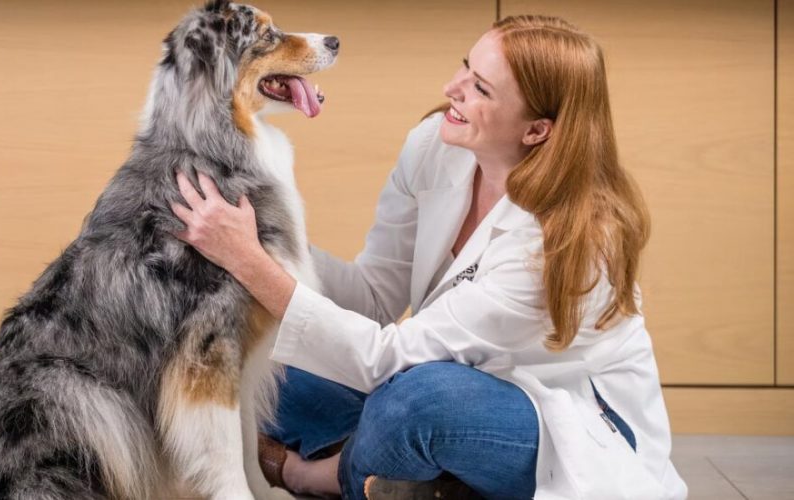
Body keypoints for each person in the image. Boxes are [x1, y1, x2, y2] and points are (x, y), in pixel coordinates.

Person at [170, 15, 688, 500]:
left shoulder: (559, 242)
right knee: (266, 366)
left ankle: (321, 474)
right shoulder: (437, 145)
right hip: (424, 373)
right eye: (467, 66)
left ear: (537, 131)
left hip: (558, 420)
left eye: (481, 89)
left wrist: (251, 263)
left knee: (418, 403)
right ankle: (415, 474)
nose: (451, 89)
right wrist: (266, 240)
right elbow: (373, 298)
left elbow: (382, 361)